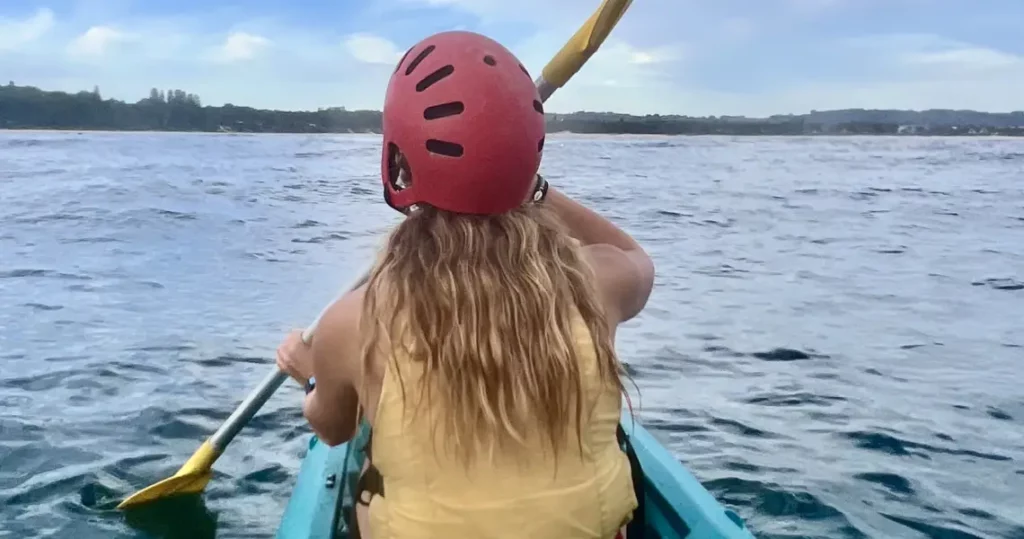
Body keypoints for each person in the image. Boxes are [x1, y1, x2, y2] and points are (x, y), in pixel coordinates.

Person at [276, 30, 655, 539]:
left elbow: (333, 427)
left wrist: (313, 377)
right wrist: (534, 189)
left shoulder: (354, 321)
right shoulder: (597, 283)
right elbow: (637, 258)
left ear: (397, 161)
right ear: (529, 159)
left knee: (370, 484)